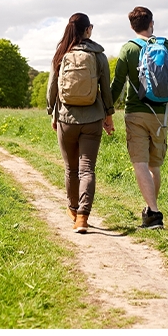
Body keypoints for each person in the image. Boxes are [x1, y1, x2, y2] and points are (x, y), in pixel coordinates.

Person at [110, 6, 168, 229]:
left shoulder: (128, 49)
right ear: (151, 23)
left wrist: (106, 110)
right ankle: (151, 210)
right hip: (161, 116)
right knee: (154, 166)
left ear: (132, 26)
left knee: (139, 163)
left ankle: (154, 213)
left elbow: (117, 83)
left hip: (136, 113)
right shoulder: (165, 45)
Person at [46, 13, 115, 233]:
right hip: (93, 118)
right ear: (87, 30)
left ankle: (73, 209)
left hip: (66, 118)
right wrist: (108, 115)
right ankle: (83, 218)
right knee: (87, 170)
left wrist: (52, 113)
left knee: (71, 169)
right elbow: (106, 89)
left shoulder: (61, 54)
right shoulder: (98, 55)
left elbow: (52, 88)